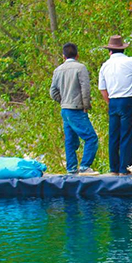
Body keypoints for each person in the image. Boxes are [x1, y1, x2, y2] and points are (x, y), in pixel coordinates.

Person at [50, 43, 99, 175]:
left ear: (63, 56)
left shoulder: (58, 70)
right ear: (77, 55)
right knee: (91, 138)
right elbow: (85, 88)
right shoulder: (80, 68)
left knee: (70, 140)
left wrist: (62, 100)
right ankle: (84, 166)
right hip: (76, 108)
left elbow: (53, 91)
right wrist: (86, 105)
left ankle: (71, 168)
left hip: (65, 109)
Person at [98, 35, 132, 176]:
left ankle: (113, 168)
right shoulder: (131, 62)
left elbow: (102, 89)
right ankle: (124, 168)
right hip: (127, 100)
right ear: (123, 49)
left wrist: (109, 102)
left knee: (114, 136)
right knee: (127, 135)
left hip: (113, 101)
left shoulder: (105, 66)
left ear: (110, 51)